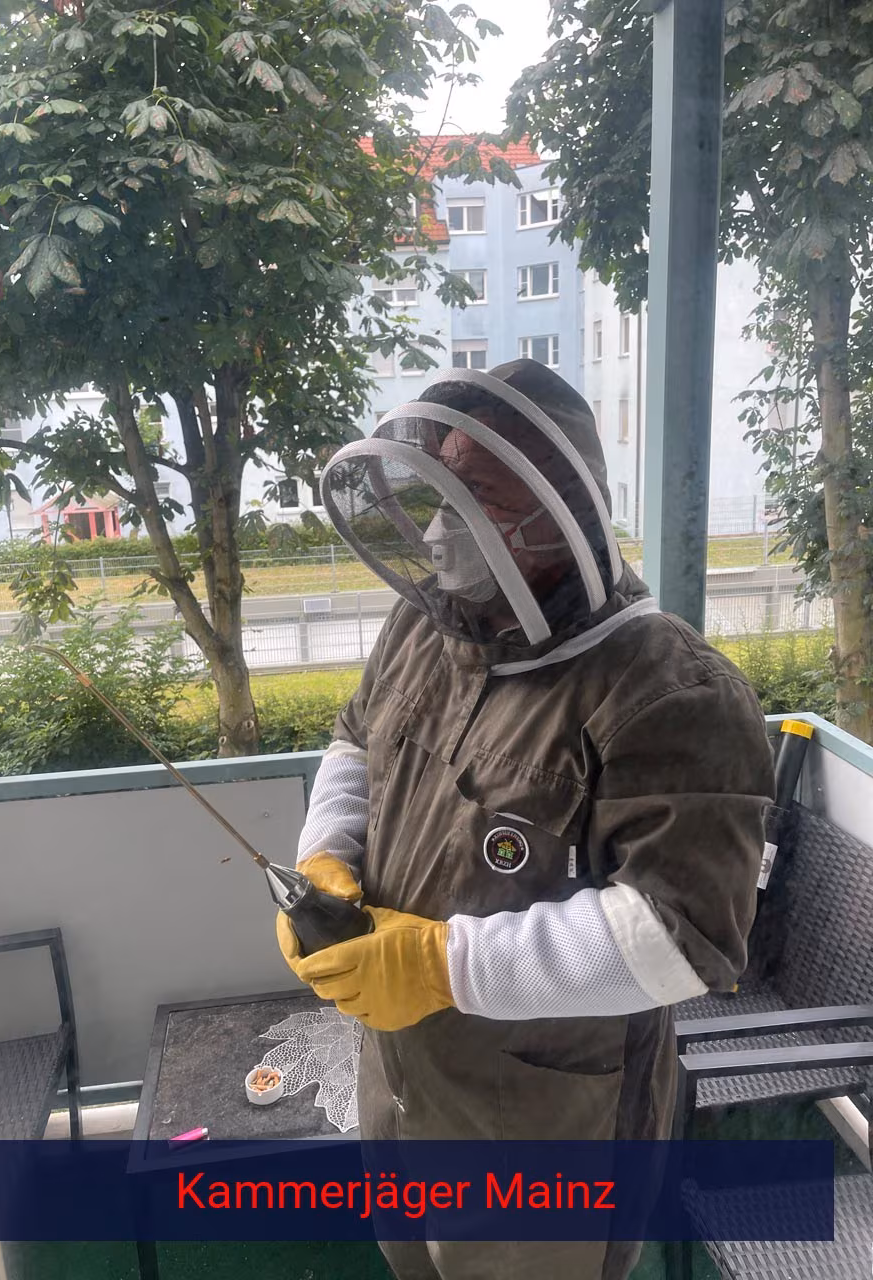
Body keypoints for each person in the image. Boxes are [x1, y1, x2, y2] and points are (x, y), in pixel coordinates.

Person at [275, 359, 775, 1280]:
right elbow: (355, 742)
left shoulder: (673, 694)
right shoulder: (427, 626)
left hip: (549, 1128)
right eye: (441, 492)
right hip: (405, 1085)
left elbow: (684, 940)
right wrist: (325, 859)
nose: (442, 526)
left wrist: (441, 965)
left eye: (480, 501)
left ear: (559, 514)